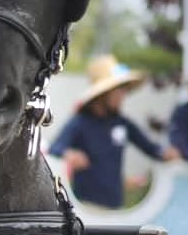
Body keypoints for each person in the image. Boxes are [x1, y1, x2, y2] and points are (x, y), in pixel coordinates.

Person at [47, 55, 179, 209]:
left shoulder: (122, 123)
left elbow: (151, 148)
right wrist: (70, 154)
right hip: (86, 207)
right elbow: (55, 149)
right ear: (103, 94)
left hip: (115, 206)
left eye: (123, 91)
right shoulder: (80, 122)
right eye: (117, 91)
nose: (122, 96)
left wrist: (167, 153)